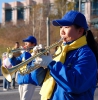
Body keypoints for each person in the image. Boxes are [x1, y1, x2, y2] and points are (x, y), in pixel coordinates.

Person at [34, 10, 98, 100]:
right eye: (61, 27)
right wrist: (38, 64)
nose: (62, 32)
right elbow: (41, 81)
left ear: (80, 31)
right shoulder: (61, 51)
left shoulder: (86, 55)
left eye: (66, 27)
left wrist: (51, 65)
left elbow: (76, 85)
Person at [9, 36, 37, 100]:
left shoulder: (35, 52)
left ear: (33, 44)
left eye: (27, 43)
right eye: (25, 43)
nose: (25, 44)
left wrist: (25, 52)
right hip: (21, 79)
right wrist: (11, 57)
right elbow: (16, 63)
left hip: (29, 80)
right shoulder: (24, 54)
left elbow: (29, 62)